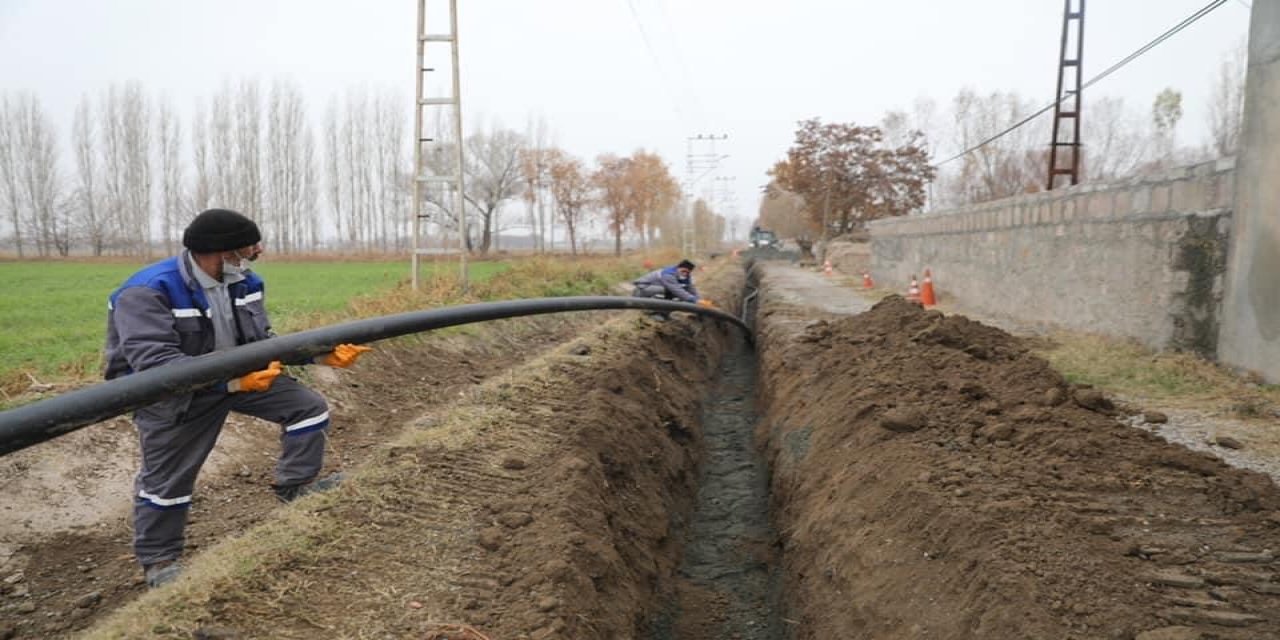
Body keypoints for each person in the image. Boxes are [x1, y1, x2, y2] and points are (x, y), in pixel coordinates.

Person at [103, 208, 372, 588]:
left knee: (307, 409)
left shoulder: (245, 282)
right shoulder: (148, 292)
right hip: (170, 395)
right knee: (168, 480)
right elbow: (157, 366)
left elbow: (262, 343)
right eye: (250, 246)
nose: (257, 252)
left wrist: (320, 356)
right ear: (222, 251)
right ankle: (159, 561)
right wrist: (230, 385)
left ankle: (296, 486)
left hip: (238, 378)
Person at [631, 259, 715, 320]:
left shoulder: (685, 276)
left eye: (687, 272)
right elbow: (677, 290)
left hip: (654, 289)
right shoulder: (668, 274)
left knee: (675, 296)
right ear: (678, 268)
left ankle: (664, 314)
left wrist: (700, 300)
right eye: (683, 271)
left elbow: (691, 289)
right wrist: (694, 300)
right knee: (669, 292)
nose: (685, 273)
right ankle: (652, 313)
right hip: (642, 290)